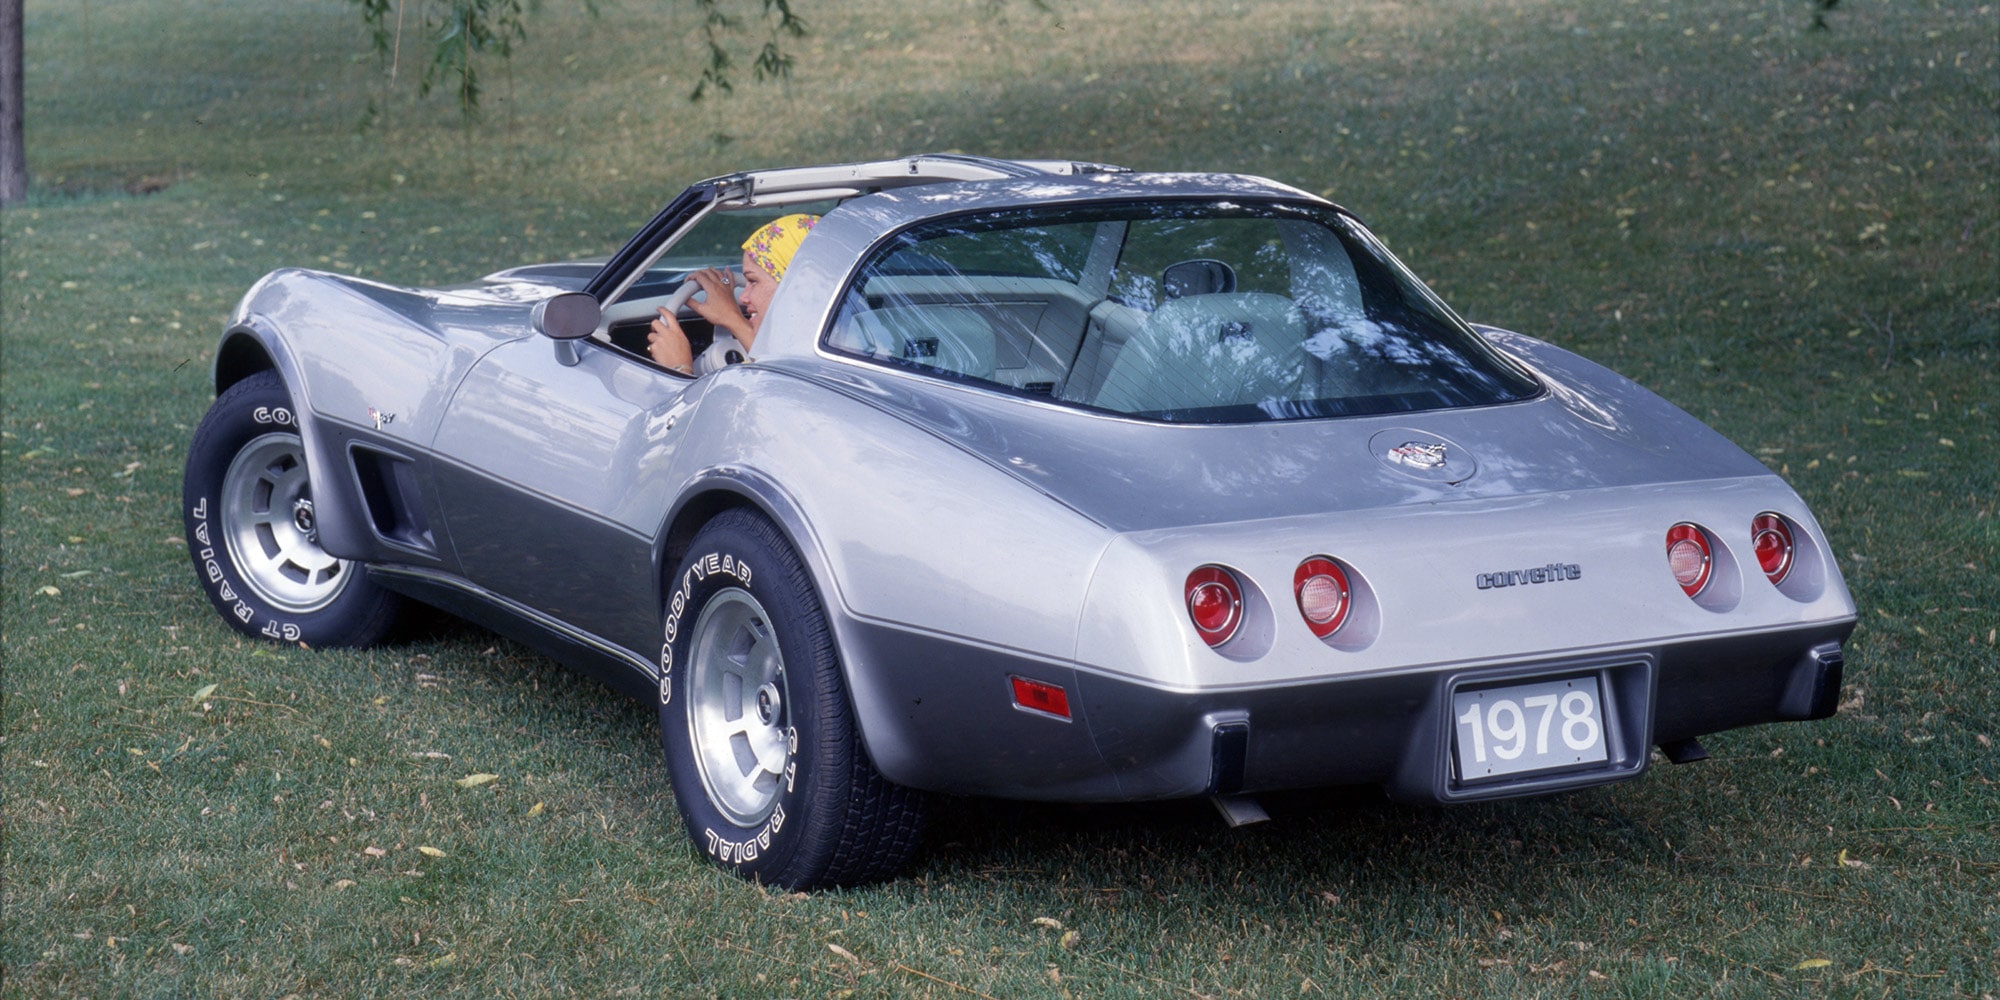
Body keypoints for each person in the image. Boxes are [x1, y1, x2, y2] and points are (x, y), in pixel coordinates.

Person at [648, 213, 820, 375]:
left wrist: (680, 368)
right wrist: (732, 318)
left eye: (753, 281)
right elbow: (777, 367)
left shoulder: (809, 365)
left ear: (795, 285)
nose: (743, 298)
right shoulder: (821, 345)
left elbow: (774, 387)